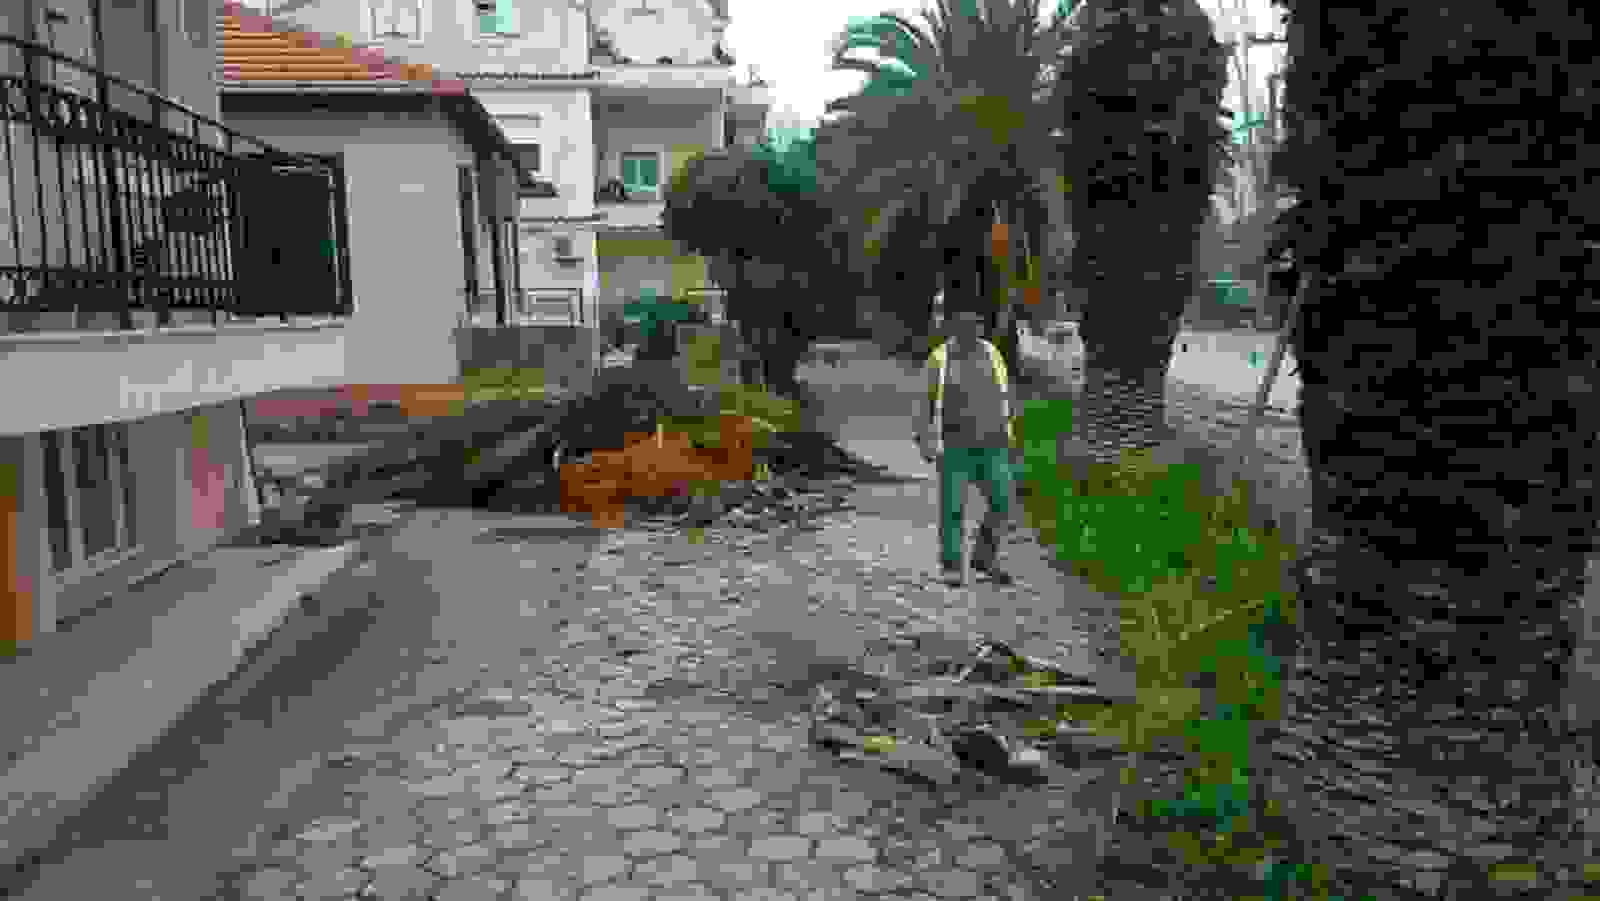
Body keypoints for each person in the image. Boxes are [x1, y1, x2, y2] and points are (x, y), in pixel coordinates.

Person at [913, 308, 1017, 587]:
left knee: (1003, 500)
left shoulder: (992, 354)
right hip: (954, 448)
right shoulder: (939, 359)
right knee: (953, 508)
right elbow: (923, 402)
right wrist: (924, 438)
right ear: (954, 327)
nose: (972, 329)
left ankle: (984, 557)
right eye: (965, 324)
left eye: (976, 323)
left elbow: (1005, 393)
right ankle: (951, 566)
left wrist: (1010, 434)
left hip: (993, 444)